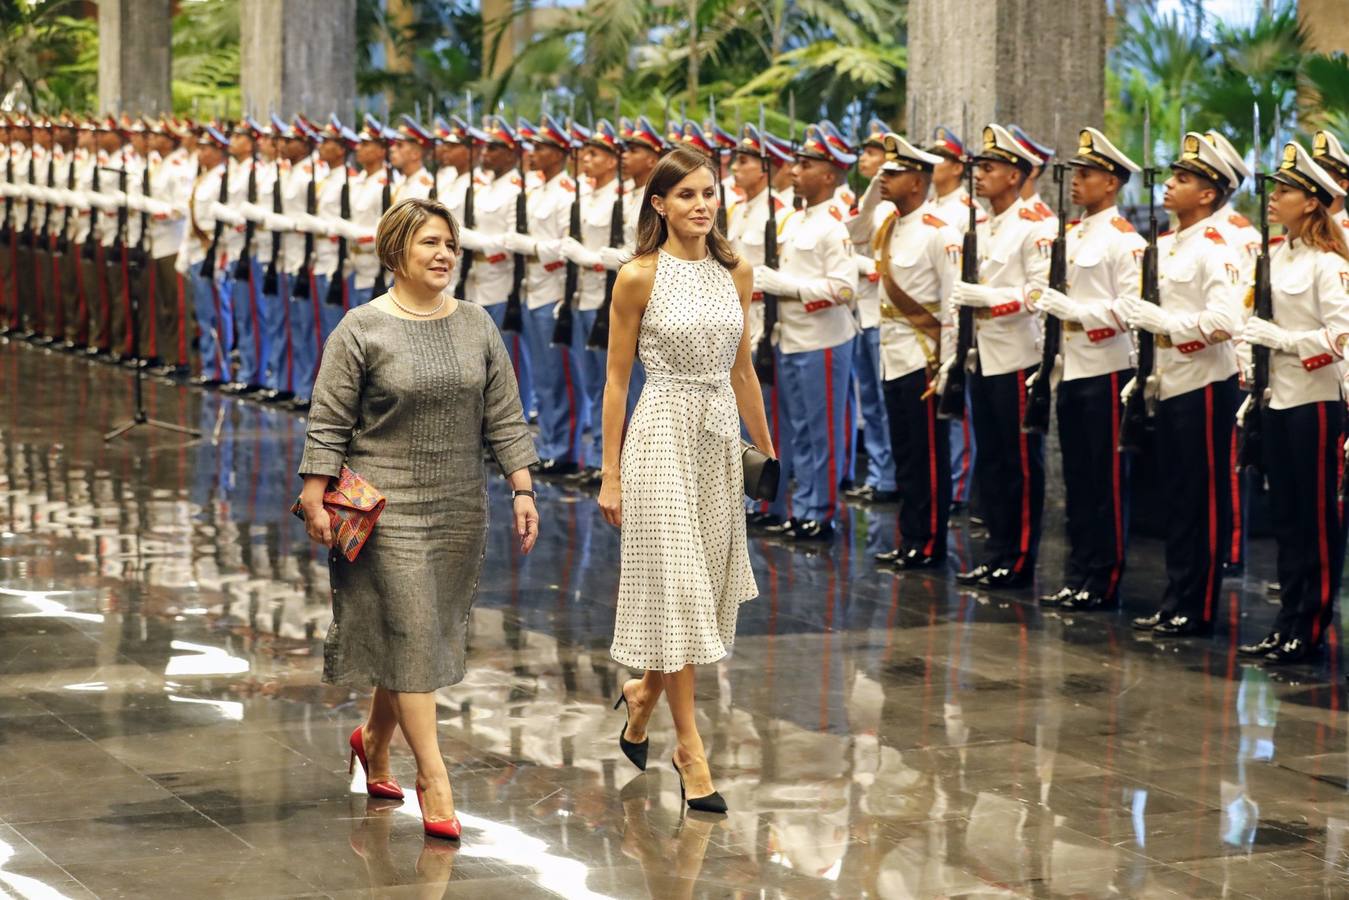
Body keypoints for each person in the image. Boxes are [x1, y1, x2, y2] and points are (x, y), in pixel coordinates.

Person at [298, 197, 540, 839]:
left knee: (419, 634)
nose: (443, 256)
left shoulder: (477, 325)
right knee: (409, 626)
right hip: (384, 506)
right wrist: (316, 496)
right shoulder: (360, 328)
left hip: (460, 503)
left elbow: (504, 413)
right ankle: (433, 776)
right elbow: (329, 421)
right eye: (429, 244)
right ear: (395, 252)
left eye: (450, 246)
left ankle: (372, 740)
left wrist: (522, 488)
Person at [598, 145, 773, 814]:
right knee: (677, 589)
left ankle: (642, 698)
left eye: (708, 193)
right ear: (659, 204)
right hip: (659, 432)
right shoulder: (637, 276)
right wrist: (609, 474)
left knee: (698, 589)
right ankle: (689, 749)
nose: (701, 204)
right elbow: (616, 381)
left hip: (716, 436)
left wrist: (764, 448)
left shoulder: (736, 272)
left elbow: (743, 370)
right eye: (687, 195)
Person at [1123, 133, 1243, 637]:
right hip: (1170, 379)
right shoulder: (1169, 244)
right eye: (1173, 176)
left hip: (1206, 381)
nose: (1170, 186)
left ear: (1210, 194)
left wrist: (1166, 323)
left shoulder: (1217, 246)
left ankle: (1198, 605)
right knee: (1176, 495)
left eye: (1183, 179)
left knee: (1201, 498)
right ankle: (1176, 598)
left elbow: (1225, 320)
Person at [1238, 142, 1349, 664]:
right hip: (1277, 400)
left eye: (1283, 191)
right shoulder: (1274, 255)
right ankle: (1287, 622)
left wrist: (1283, 341)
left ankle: (1311, 624)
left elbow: (1343, 336)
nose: (1273, 199)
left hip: (1317, 402)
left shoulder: (1329, 263)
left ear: (1310, 202)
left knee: (1317, 519)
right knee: (1285, 517)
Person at [1031, 128, 1143, 611]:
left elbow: (1131, 310)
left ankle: (1103, 576)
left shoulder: (1125, 240)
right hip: (1070, 369)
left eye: (1089, 174)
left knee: (1105, 481)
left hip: (1107, 369)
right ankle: (1078, 572)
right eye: (1076, 173)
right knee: (1077, 478)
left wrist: (1075, 312)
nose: (1077, 182)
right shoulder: (1070, 234)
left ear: (1112, 183)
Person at [950, 124, 1051, 588]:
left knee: (1018, 464)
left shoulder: (1036, 226)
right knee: (991, 460)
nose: (980, 175)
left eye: (989, 168)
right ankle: (996, 551)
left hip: (1016, 356)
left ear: (1016, 175)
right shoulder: (985, 225)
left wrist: (987, 299)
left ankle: (1019, 557)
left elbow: (1038, 294)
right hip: (982, 355)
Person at [752, 124, 860, 540]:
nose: (795, 171)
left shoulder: (834, 226)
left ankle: (821, 511)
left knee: (823, 432)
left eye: (806, 165)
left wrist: (790, 288)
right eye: (796, 163)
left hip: (823, 340)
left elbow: (845, 288)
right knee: (797, 427)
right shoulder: (793, 221)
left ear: (830, 175)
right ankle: (800, 506)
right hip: (789, 338)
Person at [862, 132, 960, 569]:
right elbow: (853, 230)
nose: (885, 179)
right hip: (893, 354)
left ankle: (929, 541)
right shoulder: (887, 225)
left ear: (918, 182)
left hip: (924, 357)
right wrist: (873, 189)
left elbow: (953, 303)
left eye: (895, 173)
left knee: (927, 456)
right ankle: (909, 537)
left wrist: (949, 364)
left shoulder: (940, 234)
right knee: (904, 451)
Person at [500, 114, 584, 475]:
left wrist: (530, 246)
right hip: (529, 289)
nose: (533, 153)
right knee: (544, 376)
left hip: (554, 289)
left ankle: (568, 448)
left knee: (562, 375)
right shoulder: (532, 191)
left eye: (542, 147)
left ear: (559, 152)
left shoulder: (567, 194)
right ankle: (549, 442)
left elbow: (566, 246)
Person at [727, 123, 794, 529]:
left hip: (767, 326)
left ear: (767, 169)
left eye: (745, 161)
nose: (736, 168)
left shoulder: (783, 217)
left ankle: (776, 500)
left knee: (772, 417)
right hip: (736, 326)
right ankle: (747, 493)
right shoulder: (737, 210)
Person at [926, 125, 983, 521]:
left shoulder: (967, 212)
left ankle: (960, 484)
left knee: (958, 405)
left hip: (959, 317)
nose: (933, 166)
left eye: (940, 159)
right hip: (927, 322)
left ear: (959, 167)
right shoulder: (930, 207)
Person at [845, 118, 899, 505]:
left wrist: (862, 266)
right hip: (862, 312)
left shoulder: (896, 210)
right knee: (870, 397)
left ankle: (890, 475)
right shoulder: (870, 205)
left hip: (883, 314)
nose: (865, 159)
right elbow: (854, 235)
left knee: (884, 400)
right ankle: (881, 474)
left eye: (873, 153)